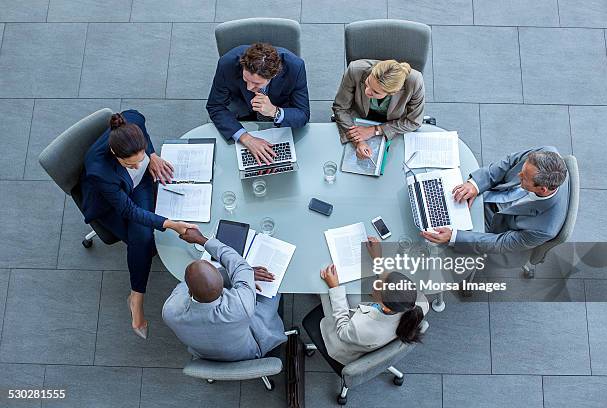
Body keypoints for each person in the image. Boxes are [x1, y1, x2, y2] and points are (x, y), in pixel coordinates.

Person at [80, 110, 197, 339]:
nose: (136, 165)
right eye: (130, 164)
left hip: (139, 185)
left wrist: (151, 156)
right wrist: (171, 224)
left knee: (145, 237)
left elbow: (141, 126)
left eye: (139, 158)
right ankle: (137, 297)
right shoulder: (99, 171)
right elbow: (128, 210)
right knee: (143, 239)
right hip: (111, 203)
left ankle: (136, 293)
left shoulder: (132, 121)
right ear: (115, 154)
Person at [422, 147, 569, 266]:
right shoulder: (544, 153)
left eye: (524, 177)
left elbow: (500, 243)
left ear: (542, 189)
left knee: (431, 246)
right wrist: (475, 185)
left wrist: (454, 237)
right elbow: (510, 162)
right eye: (522, 171)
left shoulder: (544, 229)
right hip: (489, 193)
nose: (519, 175)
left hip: (494, 227)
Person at [302, 237, 429, 369]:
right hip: (374, 331)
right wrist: (378, 259)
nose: (375, 284)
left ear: (384, 306)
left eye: (377, 287)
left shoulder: (361, 328)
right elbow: (390, 282)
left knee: (318, 280)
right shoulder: (418, 301)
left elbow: (342, 330)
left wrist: (335, 288)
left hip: (345, 341)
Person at [162, 228, 287, 361]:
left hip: (205, 356)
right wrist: (201, 239)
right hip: (249, 352)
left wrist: (239, 275)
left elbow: (186, 284)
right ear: (223, 285)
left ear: (189, 292)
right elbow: (239, 265)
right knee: (276, 287)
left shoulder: (169, 311)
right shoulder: (240, 306)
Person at [206, 43, 310, 165]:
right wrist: (246, 138)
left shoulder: (295, 67)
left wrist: (274, 111)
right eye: (246, 79)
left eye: (256, 84)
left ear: (274, 75)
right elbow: (215, 106)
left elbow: (303, 114)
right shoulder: (226, 64)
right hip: (242, 113)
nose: (249, 87)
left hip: (279, 120)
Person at [332, 59, 425, 159]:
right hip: (360, 116)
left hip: (394, 122)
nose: (367, 91)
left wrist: (375, 130)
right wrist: (358, 141)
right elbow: (340, 108)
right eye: (367, 83)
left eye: (375, 92)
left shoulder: (415, 82)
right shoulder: (355, 70)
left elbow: (414, 122)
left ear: (393, 92)